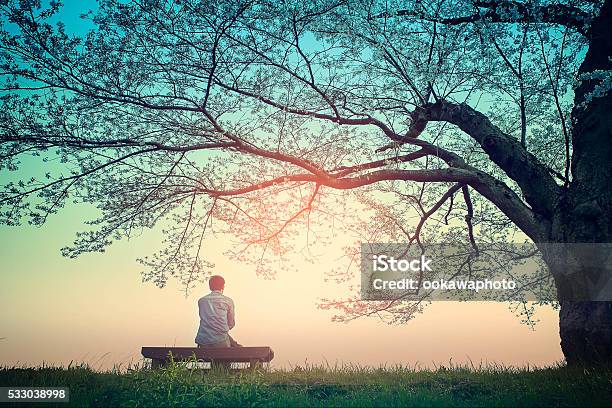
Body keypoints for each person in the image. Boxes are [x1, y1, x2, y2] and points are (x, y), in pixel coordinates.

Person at [195, 275, 242, 348]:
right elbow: (231, 323)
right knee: (228, 340)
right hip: (221, 341)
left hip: (203, 341)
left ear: (210, 287)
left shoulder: (202, 301)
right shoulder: (228, 301)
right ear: (223, 286)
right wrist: (221, 329)